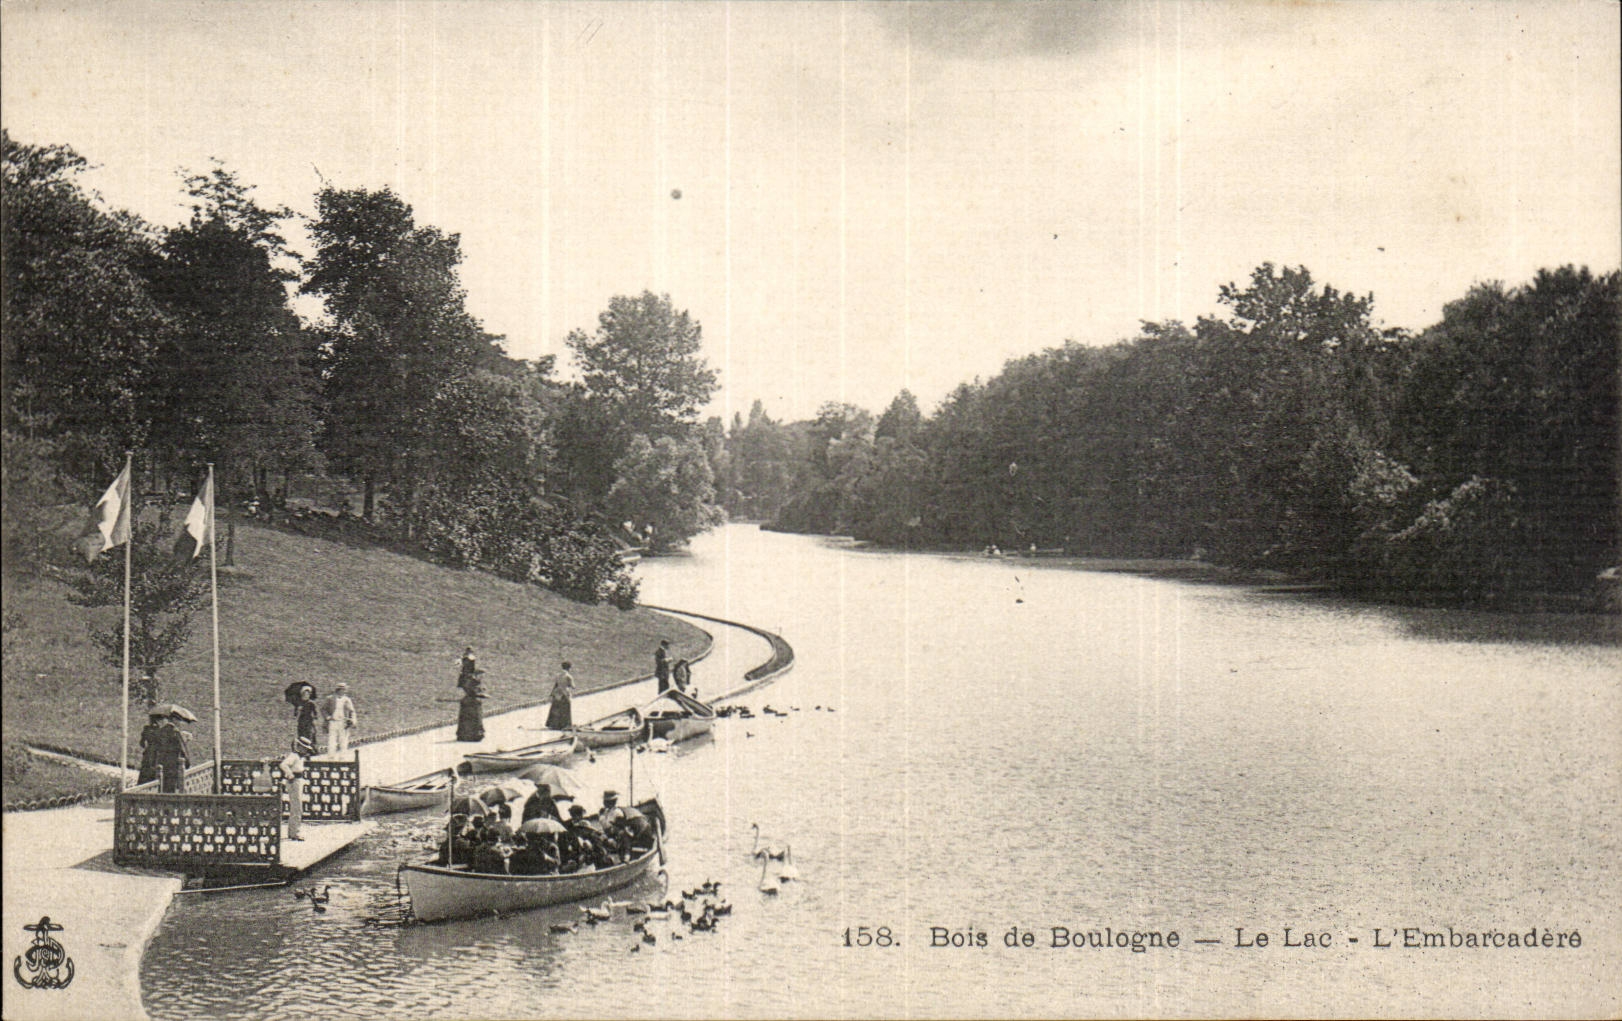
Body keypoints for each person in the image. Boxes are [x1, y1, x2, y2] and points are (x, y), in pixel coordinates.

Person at [152, 712, 190, 793]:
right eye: (179, 720)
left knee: (162, 784)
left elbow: (155, 748)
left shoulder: (160, 731)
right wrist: (187, 761)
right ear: (174, 720)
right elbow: (182, 748)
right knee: (171, 785)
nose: (180, 722)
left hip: (162, 763)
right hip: (173, 763)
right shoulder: (175, 732)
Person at [322, 683, 357, 754]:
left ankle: (343, 756)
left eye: (344, 689)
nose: (343, 691)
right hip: (333, 721)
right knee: (332, 740)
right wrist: (328, 717)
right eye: (342, 689)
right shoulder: (330, 698)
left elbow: (352, 711)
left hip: (343, 722)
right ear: (338, 690)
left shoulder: (347, 700)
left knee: (343, 740)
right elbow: (323, 709)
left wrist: (352, 720)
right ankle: (331, 756)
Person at [456, 668, 486, 742]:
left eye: (482, 676)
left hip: (475, 703)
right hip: (469, 703)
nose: (482, 678)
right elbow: (471, 691)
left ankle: (475, 735)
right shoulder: (471, 682)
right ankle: (468, 736)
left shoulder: (477, 682)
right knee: (470, 719)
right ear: (476, 675)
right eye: (480, 676)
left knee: (476, 719)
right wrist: (480, 693)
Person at [137, 710, 166, 786]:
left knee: (146, 769)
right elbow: (162, 743)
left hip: (148, 753)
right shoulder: (161, 730)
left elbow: (141, 743)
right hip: (156, 753)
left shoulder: (146, 729)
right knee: (155, 768)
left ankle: (143, 785)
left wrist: (147, 746)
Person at [546, 661, 575, 730]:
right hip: (565, 694)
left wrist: (551, 694)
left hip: (557, 693)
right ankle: (564, 725)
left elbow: (555, 685)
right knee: (565, 710)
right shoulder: (569, 676)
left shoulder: (558, 675)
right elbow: (573, 686)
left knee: (556, 709)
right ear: (569, 668)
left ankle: (553, 725)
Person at [292, 684, 318, 757]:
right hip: (301, 721)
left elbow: (315, 713)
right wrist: (297, 711)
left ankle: (311, 750)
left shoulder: (311, 703)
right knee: (301, 735)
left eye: (308, 694)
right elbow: (295, 714)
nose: (306, 696)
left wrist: (314, 719)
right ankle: (302, 750)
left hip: (309, 721)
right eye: (305, 694)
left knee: (309, 735)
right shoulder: (298, 703)